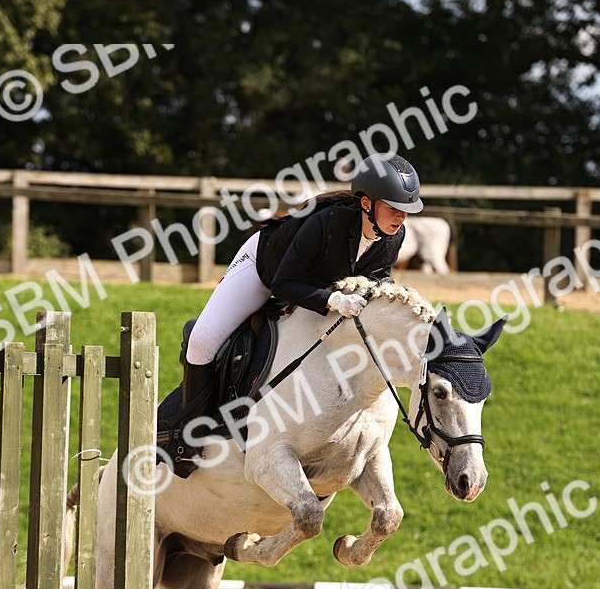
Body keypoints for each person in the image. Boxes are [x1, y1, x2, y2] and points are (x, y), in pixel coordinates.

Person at [169, 152, 423, 476]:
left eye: (406, 211)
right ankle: (188, 436)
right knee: (203, 341)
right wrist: (332, 300)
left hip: (318, 284)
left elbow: (378, 279)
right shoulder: (327, 222)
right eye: (393, 208)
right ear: (366, 203)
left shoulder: (393, 237)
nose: (401, 217)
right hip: (264, 269)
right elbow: (284, 282)